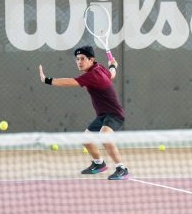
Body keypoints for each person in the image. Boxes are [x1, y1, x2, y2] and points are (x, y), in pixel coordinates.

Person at [39, 45, 129, 180]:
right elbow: (111, 75)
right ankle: (99, 164)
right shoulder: (100, 68)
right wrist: (113, 65)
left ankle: (122, 168)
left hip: (114, 114)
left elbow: (70, 82)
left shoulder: (93, 75)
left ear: (91, 59)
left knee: (104, 136)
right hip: (103, 115)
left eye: (82, 59)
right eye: (77, 59)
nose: (79, 62)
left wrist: (47, 80)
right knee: (85, 138)